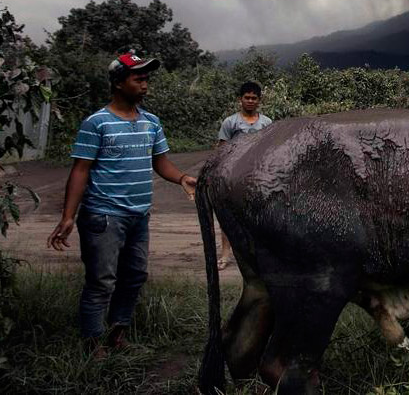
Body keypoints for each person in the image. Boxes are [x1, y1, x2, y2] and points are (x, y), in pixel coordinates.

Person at [47, 51, 197, 356]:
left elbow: (160, 162)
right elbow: (80, 170)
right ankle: (93, 346)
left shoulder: (151, 122)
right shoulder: (97, 123)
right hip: (104, 216)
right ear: (118, 83)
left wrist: (181, 178)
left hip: (139, 216)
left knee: (134, 277)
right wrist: (68, 216)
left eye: (146, 79)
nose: (145, 85)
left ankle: (117, 337)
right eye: (138, 79)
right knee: (101, 282)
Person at [214, 80, 272, 269]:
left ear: (259, 100)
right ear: (240, 99)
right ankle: (225, 254)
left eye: (254, 98)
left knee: (258, 215)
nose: (250, 101)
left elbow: (272, 150)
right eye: (247, 97)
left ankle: (258, 254)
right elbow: (222, 150)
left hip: (258, 176)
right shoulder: (230, 122)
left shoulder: (267, 123)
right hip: (234, 176)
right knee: (229, 216)